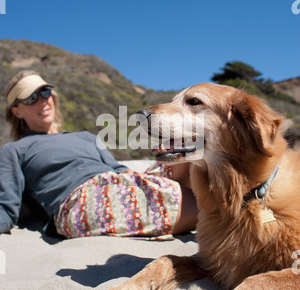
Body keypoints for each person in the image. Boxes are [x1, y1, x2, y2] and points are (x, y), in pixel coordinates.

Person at [0, 70, 198, 240]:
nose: (42, 101)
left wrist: (151, 180)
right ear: (17, 111)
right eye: (31, 98)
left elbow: (120, 170)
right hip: (78, 198)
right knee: (201, 204)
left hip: (119, 181)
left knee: (191, 149)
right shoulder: (15, 149)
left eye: (44, 92)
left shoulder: (86, 137)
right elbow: (7, 207)